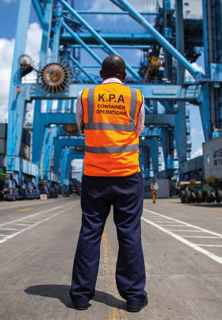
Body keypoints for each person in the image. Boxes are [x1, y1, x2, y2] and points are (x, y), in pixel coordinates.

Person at [70, 55, 148, 313]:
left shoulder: (85, 96)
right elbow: (138, 129)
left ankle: (80, 296)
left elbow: (81, 126)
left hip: (94, 176)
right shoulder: (136, 96)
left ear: (101, 74)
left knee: (90, 233)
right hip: (127, 174)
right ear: (124, 76)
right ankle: (134, 297)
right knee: (129, 234)